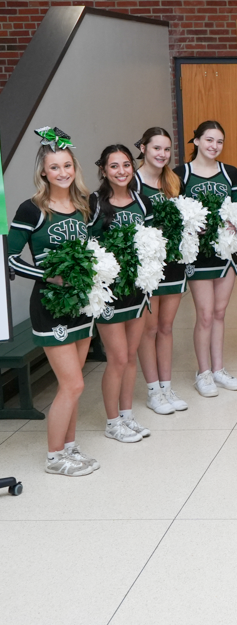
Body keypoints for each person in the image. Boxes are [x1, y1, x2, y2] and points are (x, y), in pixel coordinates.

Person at [8, 128, 97, 475]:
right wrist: (48, 275)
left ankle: (70, 448)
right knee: (72, 383)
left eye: (67, 165)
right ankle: (54, 457)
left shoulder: (83, 205)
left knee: (74, 386)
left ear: (74, 167)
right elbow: (10, 258)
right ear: (43, 172)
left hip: (82, 304)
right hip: (50, 306)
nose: (62, 172)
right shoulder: (31, 209)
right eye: (54, 167)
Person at [173, 120, 237, 397]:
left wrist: (234, 223)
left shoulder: (230, 172)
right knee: (204, 314)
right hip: (197, 254)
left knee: (219, 313)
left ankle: (218, 369)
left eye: (219, 141)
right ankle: (202, 373)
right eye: (209, 140)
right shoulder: (182, 173)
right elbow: (176, 213)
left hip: (224, 251)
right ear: (196, 142)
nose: (214, 146)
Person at [89, 144, 153, 444]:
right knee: (116, 358)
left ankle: (127, 415)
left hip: (137, 289)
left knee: (130, 357)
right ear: (103, 170)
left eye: (126, 164)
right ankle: (112, 421)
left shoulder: (141, 201)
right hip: (109, 293)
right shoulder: (93, 203)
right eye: (114, 166)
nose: (122, 171)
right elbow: (87, 246)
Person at [133, 127, 188, 416]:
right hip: (147, 266)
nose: (162, 154)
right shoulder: (131, 180)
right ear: (143, 148)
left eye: (167, 150)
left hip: (174, 262)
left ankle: (166, 387)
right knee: (149, 329)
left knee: (166, 327)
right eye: (156, 148)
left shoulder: (173, 181)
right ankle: (153, 390)